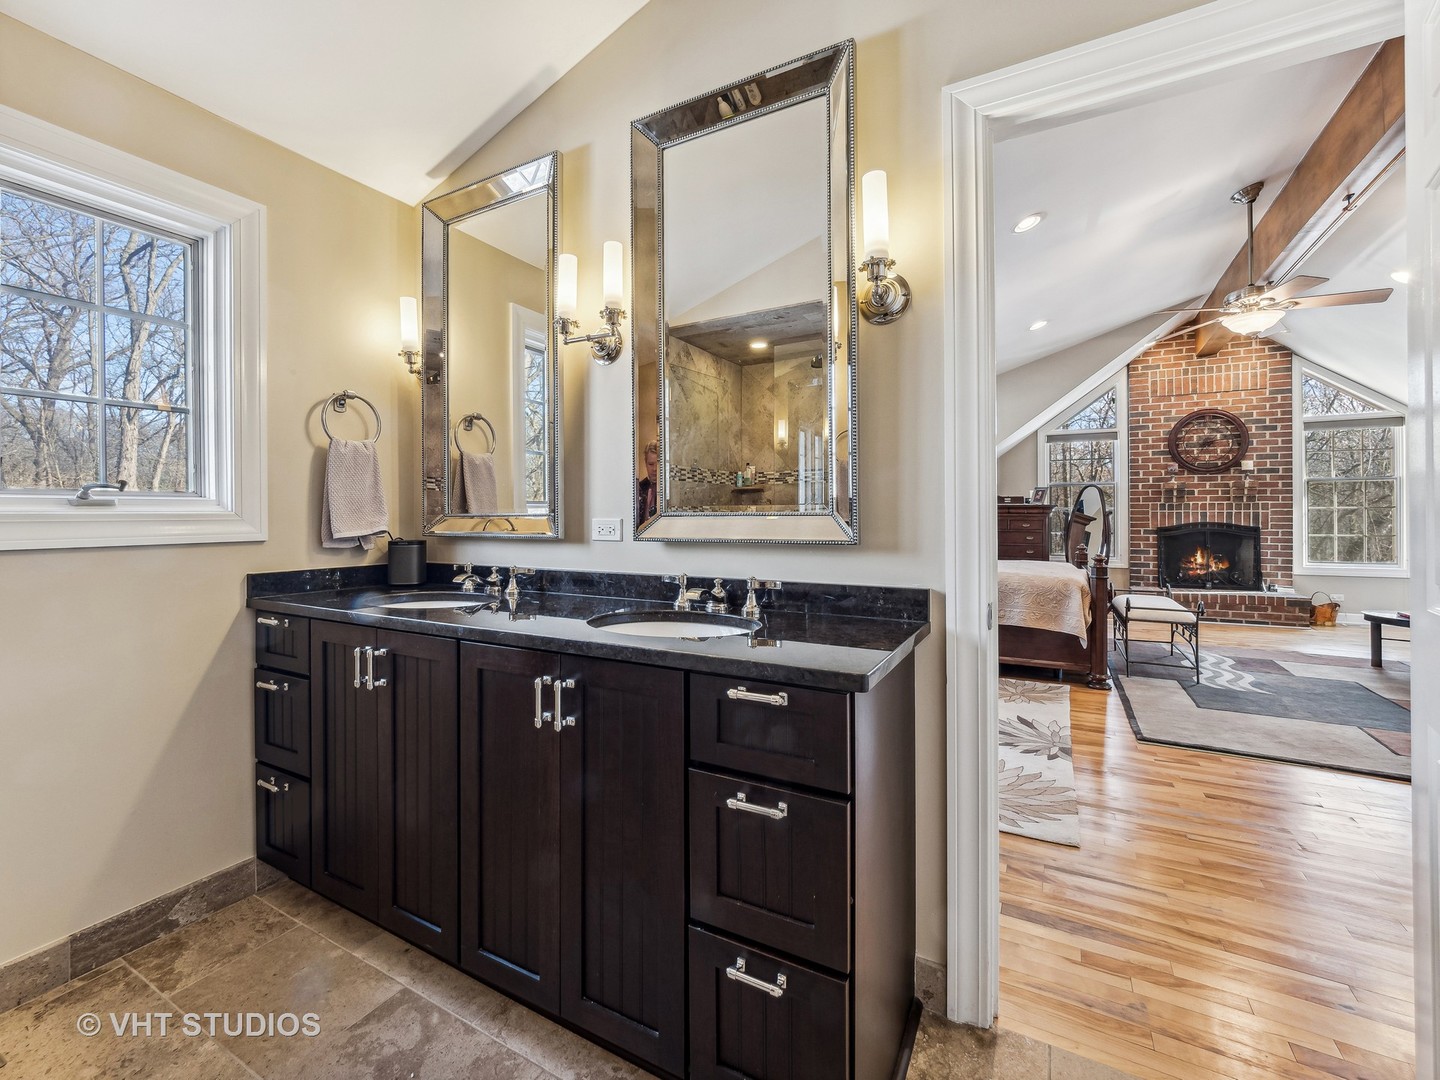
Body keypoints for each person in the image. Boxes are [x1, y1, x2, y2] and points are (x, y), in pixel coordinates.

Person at [635, 440, 659, 527]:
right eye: (651, 464)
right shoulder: (639, 489)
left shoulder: (669, 491)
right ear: (645, 463)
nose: (655, 469)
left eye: (658, 464)